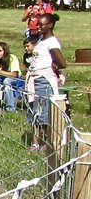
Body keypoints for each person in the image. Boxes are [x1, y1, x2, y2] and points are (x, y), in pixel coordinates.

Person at [25, 13, 66, 152]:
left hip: (44, 80)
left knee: (44, 113)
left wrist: (54, 66)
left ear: (50, 25)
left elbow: (62, 62)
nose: (39, 27)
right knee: (36, 111)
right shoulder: (42, 39)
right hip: (35, 79)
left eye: (42, 25)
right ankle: (36, 142)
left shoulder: (52, 42)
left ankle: (48, 143)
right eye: (38, 24)